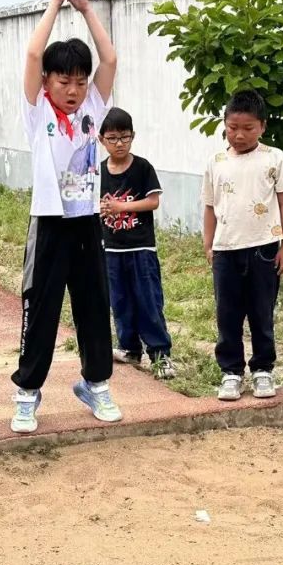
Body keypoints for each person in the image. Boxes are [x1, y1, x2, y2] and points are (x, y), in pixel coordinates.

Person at [11, 0, 120, 434]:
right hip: (50, 224)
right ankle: (27, 392)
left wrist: (88, 9)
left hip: (86, 224)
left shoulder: (94, 108)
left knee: (94, 305)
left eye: (79, 81)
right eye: (64, 81)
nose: (73, 90)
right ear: (48, 83)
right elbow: (34, 54)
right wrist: (55, 3)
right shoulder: (38, 114)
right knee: (42, 307)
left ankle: (95, 383)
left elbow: (110, 57)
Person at [202, 90, 283, 402]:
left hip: (264, 247)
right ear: (225, 125)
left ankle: (263, 370)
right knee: (227, 313)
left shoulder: (274, 159)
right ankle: (231, 371)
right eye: (232, 128)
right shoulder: (216, 163)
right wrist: (208, 243)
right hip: (226, 249)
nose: (239, 135)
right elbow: (209, 207)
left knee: (261, 311)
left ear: (263, 127)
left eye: (248, 128)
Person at [99, 107, 176, 380]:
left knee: (148, 300)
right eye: (112, 138)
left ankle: (160, 354)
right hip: (111, 249)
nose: (119, 143)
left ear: (133, 137)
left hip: (141, 248)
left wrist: (121, 206)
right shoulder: (98, 172)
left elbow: (153, 201)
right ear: (101, 139)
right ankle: (129, 347)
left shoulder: (142, 167)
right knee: (120, 300)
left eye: (125, 137)